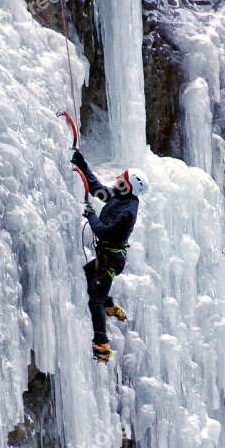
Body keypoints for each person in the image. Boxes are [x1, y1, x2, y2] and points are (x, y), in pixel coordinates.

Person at [70, 151, 149, 364]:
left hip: (111, 260)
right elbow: (96, 189)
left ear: (129, 185)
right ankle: (110, 305)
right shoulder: (119, 196)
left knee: (94, 298)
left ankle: (102, 345)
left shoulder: (128, 211)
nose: (117, 180)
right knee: (88, 274)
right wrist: (82, 165)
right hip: (106, 257)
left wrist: (91, 215)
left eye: (121, 178)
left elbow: (103, 231)